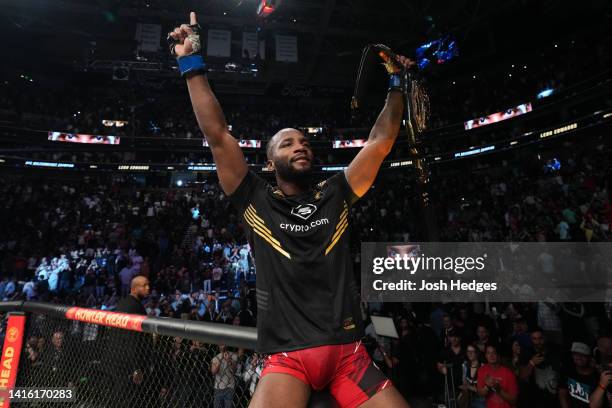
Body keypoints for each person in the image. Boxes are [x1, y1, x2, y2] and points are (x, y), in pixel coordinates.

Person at [169, 11, 411, 407]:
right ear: (269, 163)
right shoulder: (253, 197)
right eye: (287, 144)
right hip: (287, 360)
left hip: (349, 355)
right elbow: (217, 135)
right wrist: (191, 64)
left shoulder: (338, 191)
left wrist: (397, 84)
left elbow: (380, 142)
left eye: (303, 142)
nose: (300, 146)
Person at [558, 342, 601, 408]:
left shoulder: (598, 377)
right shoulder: (567, 371)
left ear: (589, 357)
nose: (579, 357)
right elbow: (562, 394)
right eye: (576, 354)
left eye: (583, 354)